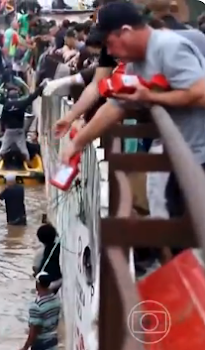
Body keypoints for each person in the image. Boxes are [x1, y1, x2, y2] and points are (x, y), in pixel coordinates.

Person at [59, 2, 205, 222]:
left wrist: (151, 97)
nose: (109, 52)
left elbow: (201, 93)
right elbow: (116, 106)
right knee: (167, 224)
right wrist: (78, 142)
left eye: (109, 43)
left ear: (126, 32)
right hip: (176, 153)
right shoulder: (136, 63)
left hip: (197, 155)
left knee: (184, 229)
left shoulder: (169, 48)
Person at [0, 84, 45, 169]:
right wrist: (41, 87)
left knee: (3, 148)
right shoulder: (21, 103)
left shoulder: (6, 105)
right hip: (19, 131)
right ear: (17, 97)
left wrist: (2, 130)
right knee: (23, 149)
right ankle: (29, 164)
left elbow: (3, 119)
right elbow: (32, 97)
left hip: (9, 131)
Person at [17, 273, 61, 350]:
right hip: (53, 343)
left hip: (41, 346)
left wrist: (25, 348)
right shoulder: (56, 300)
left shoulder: (36, 306)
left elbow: (34, 332)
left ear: (37, 284)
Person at [32, 224, 62, 292]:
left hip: (49, 283)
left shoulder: (40, 253)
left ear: (39, 239)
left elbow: (35, 268)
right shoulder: (58, 247)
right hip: (57, 279)